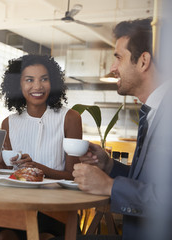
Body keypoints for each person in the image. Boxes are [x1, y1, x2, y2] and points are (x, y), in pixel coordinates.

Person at [71, 18, 172, 240]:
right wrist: (109, 166)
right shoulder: (155, 111)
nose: (112, 68)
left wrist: (110, 186)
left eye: (118, 57)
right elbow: (150, 184)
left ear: (143, 61)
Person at [0, 54, 82, 240]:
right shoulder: (9, 123)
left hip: (55, 207)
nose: (37, 86)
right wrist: (0, 165)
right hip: (16, 205)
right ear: (18, 85)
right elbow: (9, 173)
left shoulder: (70, 118)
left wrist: (38, 169)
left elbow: (73, 176)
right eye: (29, 80)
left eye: (44, 79)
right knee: (4, 236)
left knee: (47, 237)